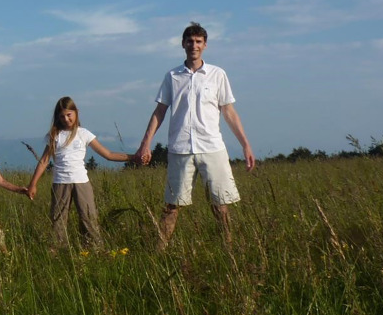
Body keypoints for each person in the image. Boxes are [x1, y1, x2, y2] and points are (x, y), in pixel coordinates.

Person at [134, 22, 255, 250]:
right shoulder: (172, 76)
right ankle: (158, 252)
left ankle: (228, 249)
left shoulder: (217, 74)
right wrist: (145, 143)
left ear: (205, 45)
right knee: (172, 206)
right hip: (180, 148)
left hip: (212, 147)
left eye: (199, 41)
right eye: (190, 41)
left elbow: (229, 112)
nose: (194, 45)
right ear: (183, 44)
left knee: (220, 204)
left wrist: (245, 145)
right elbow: (160, 111)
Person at [27, 97, 135, 250]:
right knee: (58, 220)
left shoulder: (84, 134)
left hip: (81, 182)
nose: (66, 119)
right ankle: (57, 251)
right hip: (60, 182)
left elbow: (108, 154)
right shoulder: (54, 135)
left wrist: (133, 157)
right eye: (62, 116)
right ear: (57, 117)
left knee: (88, 217)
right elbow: (44, 161)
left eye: (69, 115)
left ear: (76, 113)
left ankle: (94, 250)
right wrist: (33, 184)